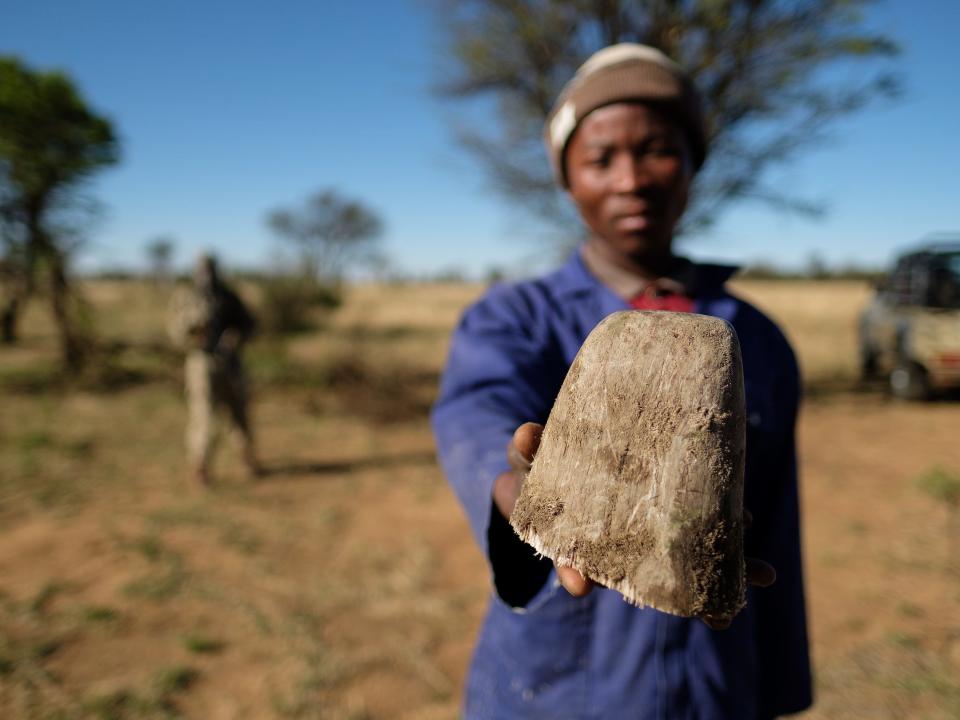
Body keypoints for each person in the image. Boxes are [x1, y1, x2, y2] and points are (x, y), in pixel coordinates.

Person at [432, 44, 812, 718]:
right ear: (567, 178)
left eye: (659, 149)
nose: (632, 179)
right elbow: (474, 416)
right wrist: (517, 487)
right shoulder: (516, 316)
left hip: (714, 684)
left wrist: (778, 688)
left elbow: (777, 526)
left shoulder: (754, 337)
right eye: (601, 158)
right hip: (557, 686)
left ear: (692, 165)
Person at [168, 254, 258, 486]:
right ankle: (201, 466)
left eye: (210, 269)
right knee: (203, 415)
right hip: (201, 363)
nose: (206, 274)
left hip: (230, 362)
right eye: (202, 270)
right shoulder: (188, 298)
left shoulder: (229, 297)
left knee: (237, 412)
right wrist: (193, 330)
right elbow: (176, 333)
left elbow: (250, 325)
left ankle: (247, 458)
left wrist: (236, 336)